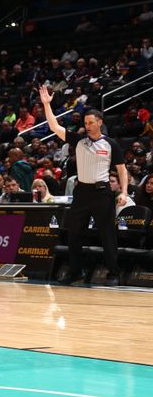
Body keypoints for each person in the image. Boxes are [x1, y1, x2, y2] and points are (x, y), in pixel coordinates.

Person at [39, 86, 126, 287]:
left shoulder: (111, 144)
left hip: (102, 193)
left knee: (107, 235)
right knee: (74, 234)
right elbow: (53, 126)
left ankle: (114, 273)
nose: (87, 125)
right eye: (85, 122)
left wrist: (122, 191)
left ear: (99, 123)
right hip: (82, 193)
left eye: (90, 122)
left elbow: (122, 170)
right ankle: (75, 272)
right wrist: (46, 104)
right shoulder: (78, 140)